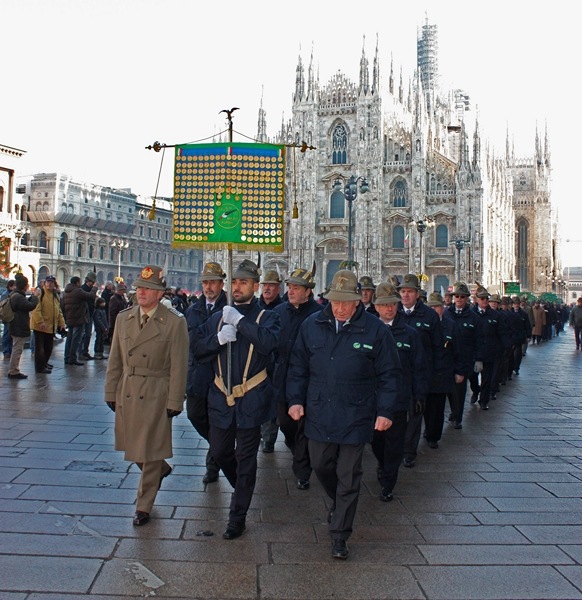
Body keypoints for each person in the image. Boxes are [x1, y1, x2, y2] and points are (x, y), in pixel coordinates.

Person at [286, 269, 401, 560]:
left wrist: (385, 411)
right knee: (321, 464)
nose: (339, 308)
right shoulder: (312, 325)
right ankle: (340, 501)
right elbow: (298, 367)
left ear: (357, 302)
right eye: (334, 301)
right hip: (319, 411)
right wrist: (295, 400)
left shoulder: (375, 330)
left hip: (356, 413)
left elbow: (389, 374)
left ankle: (340, 534)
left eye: (345, 302)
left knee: (349, 475)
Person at [194, 259, 281, 540]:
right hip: (221, 399)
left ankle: (237, 516)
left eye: (243, 283)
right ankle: (243, 489)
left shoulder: (266, 317)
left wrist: (241, 322)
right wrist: (218, 339)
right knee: (219, 452)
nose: (237, 287)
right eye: (234, 282)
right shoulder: (218, 317)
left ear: (255, 287)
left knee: (246, 459)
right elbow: (196, 348)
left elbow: (269, 344)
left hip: (251, 399)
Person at [104, 265, 188, 527]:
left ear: (160, 293)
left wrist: (175, 400)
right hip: (128, 389)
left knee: (150, 449)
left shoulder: (174, 322)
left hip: (155, 392)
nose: (141, 292)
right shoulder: (124, 318)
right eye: (139, 287)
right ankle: (161, 469)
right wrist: (110, 390)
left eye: (147, 289)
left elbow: (178, 365)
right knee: (133, 446)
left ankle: (143, 505)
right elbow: (115, 358)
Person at [371, 282, 424, 503]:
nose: (389, 309)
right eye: (384, 305)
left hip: (399, 398)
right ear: (376, 307)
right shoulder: (367, 331)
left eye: (392, 304)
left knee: (394, 443)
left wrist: (419, 396)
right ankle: (383, 464)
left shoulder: (409, 333)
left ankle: (388, 482)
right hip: (373, 399)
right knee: (376, 442)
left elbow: (419, 366)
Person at [272, 267, 321, 483]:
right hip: (283, 377)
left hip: (310, 377)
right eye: (289, 287)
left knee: (305, 425)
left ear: (308, 291)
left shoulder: (318, 315)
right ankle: (296, 449)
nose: (290, 291)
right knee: (285, 422)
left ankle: (302, 471)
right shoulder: (280, 311)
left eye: (296, 287)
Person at [185, 262, 228, 484]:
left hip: (220, 376)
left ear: (221, 284)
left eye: (213, 282)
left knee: (217, 419)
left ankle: (212, 465)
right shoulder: (193, 310)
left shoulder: (231, 308)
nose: (209, 287)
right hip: (198, 376)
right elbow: (190, 345)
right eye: (205, 282)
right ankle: (217, 445)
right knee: (194, 414)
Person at [398, 273, 443, 467]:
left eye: (410, 291)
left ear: (417, 294)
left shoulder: (429, 315)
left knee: (415, 413)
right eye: (403, 291)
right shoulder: (393, 311)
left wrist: (434, 375)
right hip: (396, 373)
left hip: (419, 374)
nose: (406, 295)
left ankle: (409, 451)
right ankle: (396, 447)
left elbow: (438, 347)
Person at [423, 292, 465, 448]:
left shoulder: (450, 325)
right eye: (431, 307)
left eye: (437, 307)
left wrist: (460, 371)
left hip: (443, 372)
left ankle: (434, 436)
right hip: (427, 372)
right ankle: (428, 429)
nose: (434, 310)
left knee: (439, 406)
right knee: (427, 407)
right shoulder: (424, 324)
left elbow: (458, 350)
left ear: (443, 308)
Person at [257, 269, 284, 452]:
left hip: (275, 364)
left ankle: (269, 438)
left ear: (278, 288)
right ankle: (260, 434)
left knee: (271, 403)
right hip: (255, 363)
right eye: (265, 285)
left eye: (271, 286)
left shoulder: (283, 310)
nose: (267, 288)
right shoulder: (254, 308)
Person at [446, 282, 478, 429]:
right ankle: (454, 411)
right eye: (457, 296)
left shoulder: (473, 317)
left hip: (464, 359)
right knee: (449, 391)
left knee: (460, 390)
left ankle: (458, 417)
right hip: (448, 358)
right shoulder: (446, 314)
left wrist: (476, 360)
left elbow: (478, 340)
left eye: (462, 297)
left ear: (466, 299)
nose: (459, 299)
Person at [472, 285, 502, 411]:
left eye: (486, 298)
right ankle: (475, 390)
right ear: (477, 300)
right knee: (472, 376)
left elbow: (500, 334)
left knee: (487, 378)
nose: (484, 301)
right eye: (482, 298)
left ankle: (484, 400)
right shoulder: (471, 314)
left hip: (489, 351)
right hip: (473, 352)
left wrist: (499, 349)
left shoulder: (495, 315)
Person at [30, 275, 66, 373]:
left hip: (51, 326)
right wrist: (40, 321)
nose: (49, 284)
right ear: (45, 283)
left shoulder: (55, 295)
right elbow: (36, 309)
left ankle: (44, 363)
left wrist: (61, 323)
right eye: (48, 282)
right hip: (40, 326)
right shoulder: (41, 294)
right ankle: (40, 367)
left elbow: (58, 311)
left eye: (51, 282)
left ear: (54, 284)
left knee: (48, 348)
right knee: (40, 349)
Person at [7, 273, 39, 379]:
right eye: (27, 284)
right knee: (17, 348)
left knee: (16, 347)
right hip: (18, 325)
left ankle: (13, 369)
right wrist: (35, 297)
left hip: (15, 324)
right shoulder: (18, 296)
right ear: (24, 285)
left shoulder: (15, 295)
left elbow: (23, 305)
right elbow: (29, 306)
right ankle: (13, 371)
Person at [62, 276, 98, 366]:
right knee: (76, 339)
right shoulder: (77, 291)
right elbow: (90, 296)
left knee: (69, 338)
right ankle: (73, 358)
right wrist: (95, 288)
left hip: (69, 317)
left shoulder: (66, 291)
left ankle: (67, 357)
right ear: (77, 283)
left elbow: (62, 305)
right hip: (78, 317)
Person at [80, 272, 97, 360]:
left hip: (89, 314)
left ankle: (85, 351)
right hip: (84, 314)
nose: (93, 284)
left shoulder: (90, 289)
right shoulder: (83, 289)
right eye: (92, 282)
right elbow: (89, 297)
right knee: (84, 334)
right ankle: (81, 352)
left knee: (88, 334)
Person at [2, 279, 16, 360]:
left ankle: (9, 351)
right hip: (7, 316)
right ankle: (6, 351)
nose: (15, 287)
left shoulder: (13, 294)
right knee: (6, 334)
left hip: (12, 317)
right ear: (10, 286)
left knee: (11, 335)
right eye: (14, 286)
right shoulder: (5, 294)